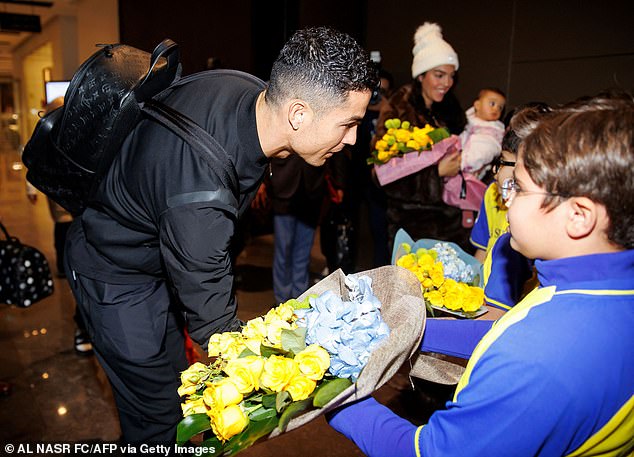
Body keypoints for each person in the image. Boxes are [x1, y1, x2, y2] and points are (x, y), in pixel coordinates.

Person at [64, 26, 378, 445]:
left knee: (176, 388)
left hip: (155, 256)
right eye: (349, 123)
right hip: (114, 276)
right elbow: (218, 330)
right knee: (156, 419)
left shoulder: (246, 89)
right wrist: (298, 371)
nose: (353, 138)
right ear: (299, 114)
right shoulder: (201, 199)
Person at [328, 92, 634, 456]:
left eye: (518, 187)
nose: (504, 198)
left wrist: (331, 390)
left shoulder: (536, 357)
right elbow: (505, 330)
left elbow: (431, 452)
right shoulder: (598, 293)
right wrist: (402, 328)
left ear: (579, 215)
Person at [372, 22, 469, 253]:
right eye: (439, 75)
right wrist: (436, 175)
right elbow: (383, 176)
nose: (447, 83)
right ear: (421, 75)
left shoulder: (449, 109)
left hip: (451, 227)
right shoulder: (399, 109)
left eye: (451, 76)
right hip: (413, 228)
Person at [26, 96, 93, 356]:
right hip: (70, 214)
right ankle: (83, 327)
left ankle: (86, 325)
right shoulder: (50, 138)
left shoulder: (89, 133)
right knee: (71, 252)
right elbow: (35, 162)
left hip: (91, 216)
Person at [267, 154, 326, 303]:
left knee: (304, 251)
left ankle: (299, 299)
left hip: (312, 186)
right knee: (283, 250)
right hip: (283, 184)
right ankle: (282, 301)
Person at [459, 88, 506, 177]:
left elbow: (490, 147)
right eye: (492, 103)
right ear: (477, 105)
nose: (496, 109)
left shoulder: (495, 129)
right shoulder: (467, 120)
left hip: (475, 165)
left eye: (500, 107)